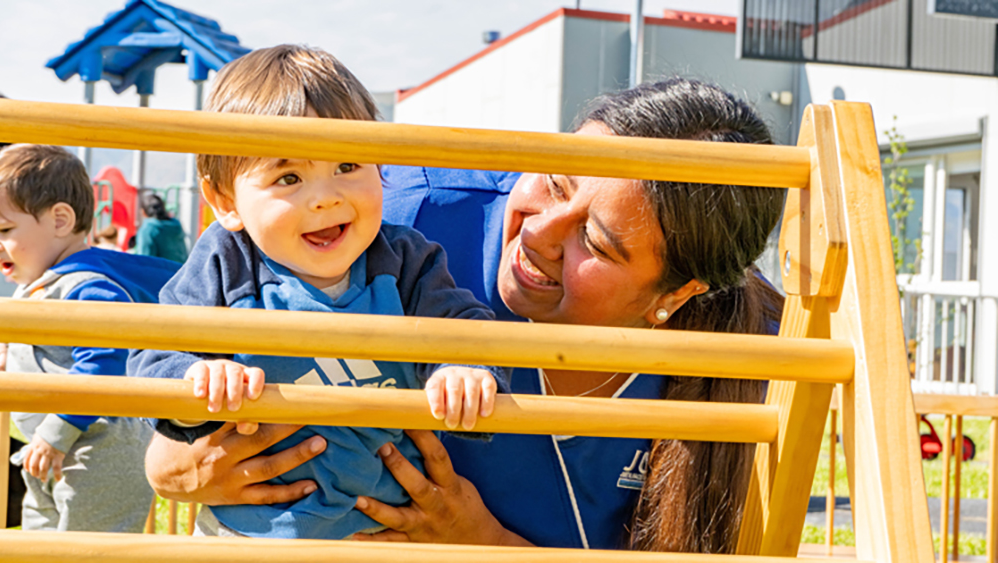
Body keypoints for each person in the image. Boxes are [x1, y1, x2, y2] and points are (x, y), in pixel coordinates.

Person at [141, 78, 785, 553]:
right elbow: (176, 426)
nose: (538, 231)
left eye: (595, 242)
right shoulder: (401, 227)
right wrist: (179, 465)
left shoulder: (741, 354)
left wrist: (485, 543)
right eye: (556, 182)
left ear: (674, 294)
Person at [127, 45, 507, 541]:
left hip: (383, 534)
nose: (326, 196)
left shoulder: (405, 259)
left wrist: (464, 369)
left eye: (348, 164)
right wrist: (197, 375)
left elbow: (463, 324)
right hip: (249, 537)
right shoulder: (226, 262)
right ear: (225, 202)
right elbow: (153, 353)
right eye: (289, 176)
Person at [0, 144, 180, 532]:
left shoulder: (89, 286)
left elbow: (102, 361)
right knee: (40, 544)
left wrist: (55, 434)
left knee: (90, 546)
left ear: (60, 220)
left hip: (98, 450)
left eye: (4, 230)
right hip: (49, 450)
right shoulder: (37, 284)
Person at [133, 192, 188, 263]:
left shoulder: (147, 230)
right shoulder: (177, 226)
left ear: (143, 212)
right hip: (182, 272)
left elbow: (144, 263)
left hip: (161, 273)